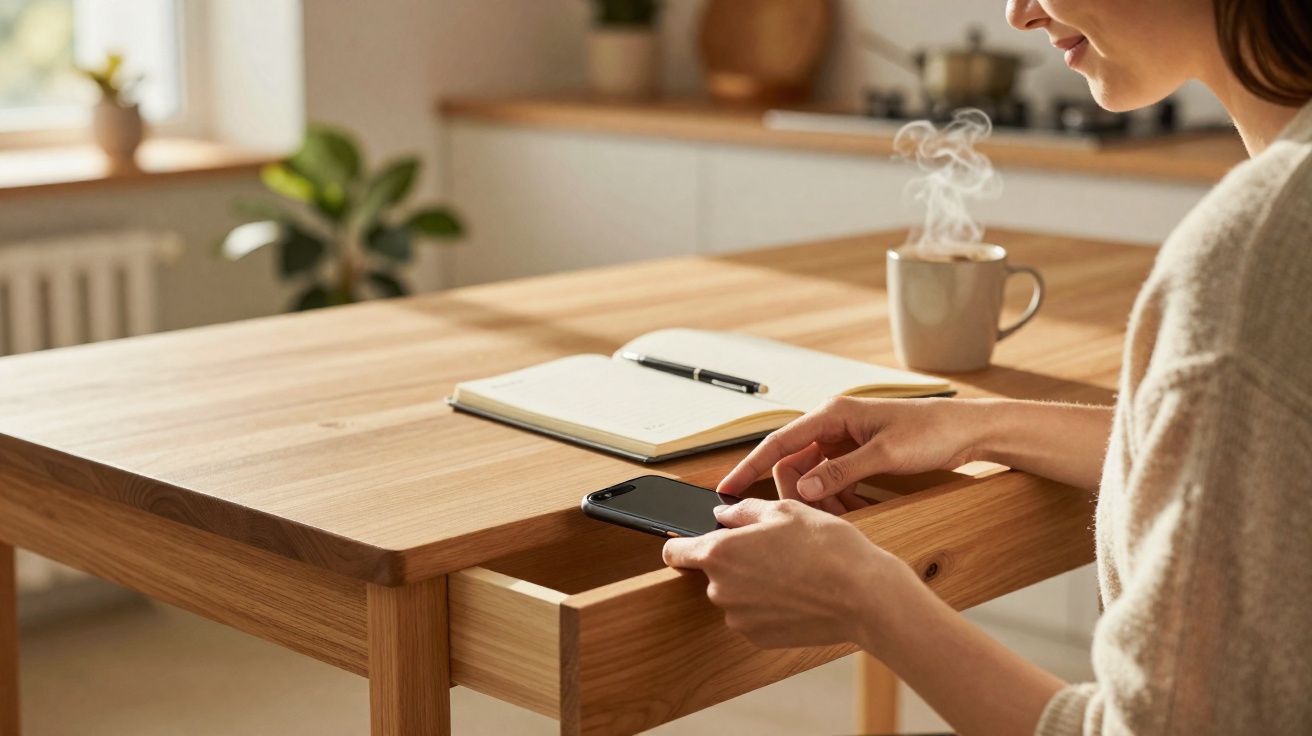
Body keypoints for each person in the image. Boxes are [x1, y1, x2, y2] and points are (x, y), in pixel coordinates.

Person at [662, 1, 1312, 734]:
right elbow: (1266, 468)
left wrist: (868, 599)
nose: (1017, 12)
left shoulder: (1260, 250)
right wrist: (978, 425)